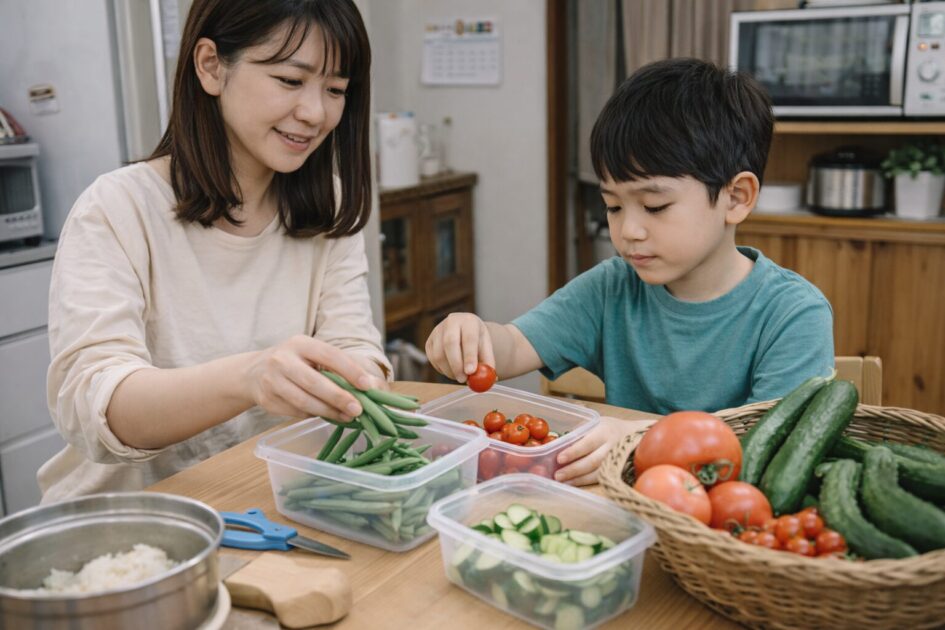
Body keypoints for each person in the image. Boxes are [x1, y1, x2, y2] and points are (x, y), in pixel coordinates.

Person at [39, 0, 390, 502]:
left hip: (269, 505)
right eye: (290, 80)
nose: (315, 113)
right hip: (130, 521)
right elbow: (96, 408)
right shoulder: (118, 208)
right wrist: (250, 378)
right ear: (210, 66)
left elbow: (353, 345)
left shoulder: (325, 207)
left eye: (335, 90)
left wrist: (362, 376)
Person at [425, 58, 834, 486]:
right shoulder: (612, 288)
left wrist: (645, 437)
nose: (627, 231)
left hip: (725, 515)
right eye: (614, 206)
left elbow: (775, 451)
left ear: (736, 197)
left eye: (654, 206)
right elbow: (514, 346)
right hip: (621, 504)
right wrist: (472, 338)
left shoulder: (793, 314)